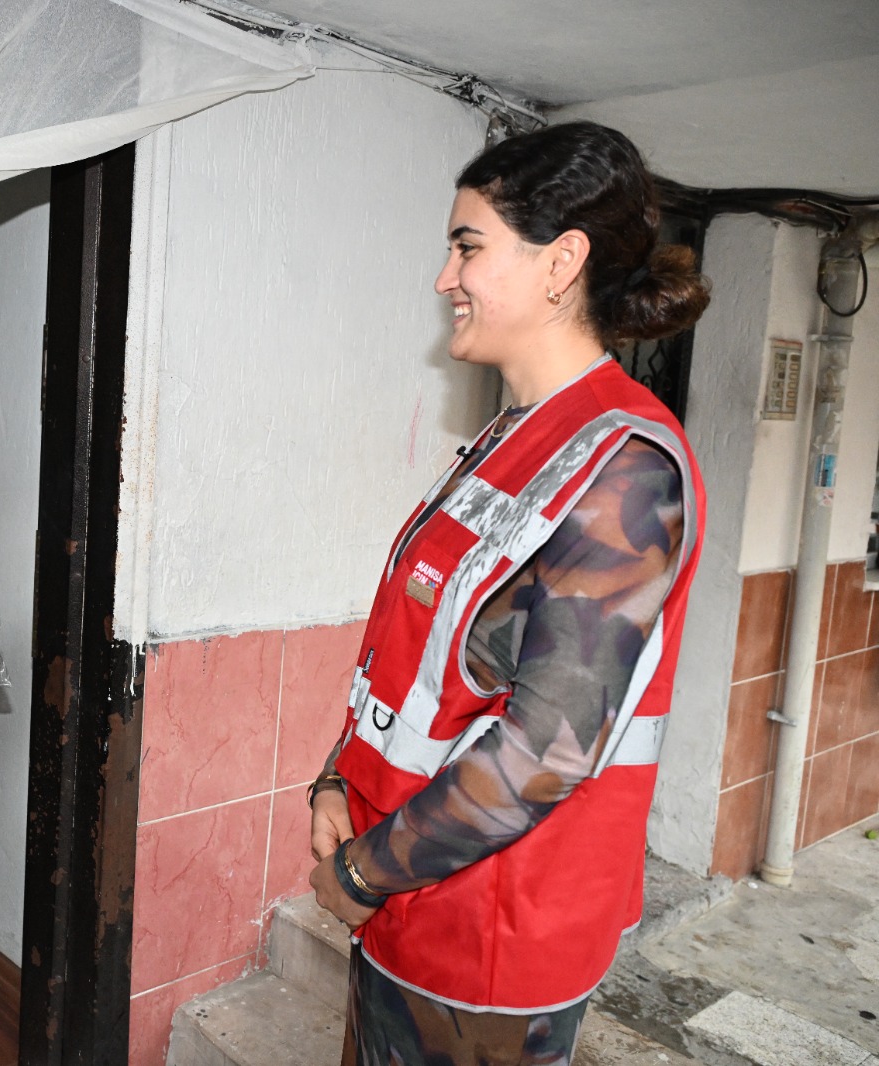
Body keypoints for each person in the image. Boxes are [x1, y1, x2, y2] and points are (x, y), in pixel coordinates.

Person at [307, 122, 711, 1065]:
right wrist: (341, 780)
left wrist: (365, 871)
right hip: (412, 895)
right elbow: (420, 658)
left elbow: (545, 750)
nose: (446, 278)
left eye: (468, 246)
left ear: (560, 262)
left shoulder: (624, 470)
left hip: (493, 937)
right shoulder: (511, 437)